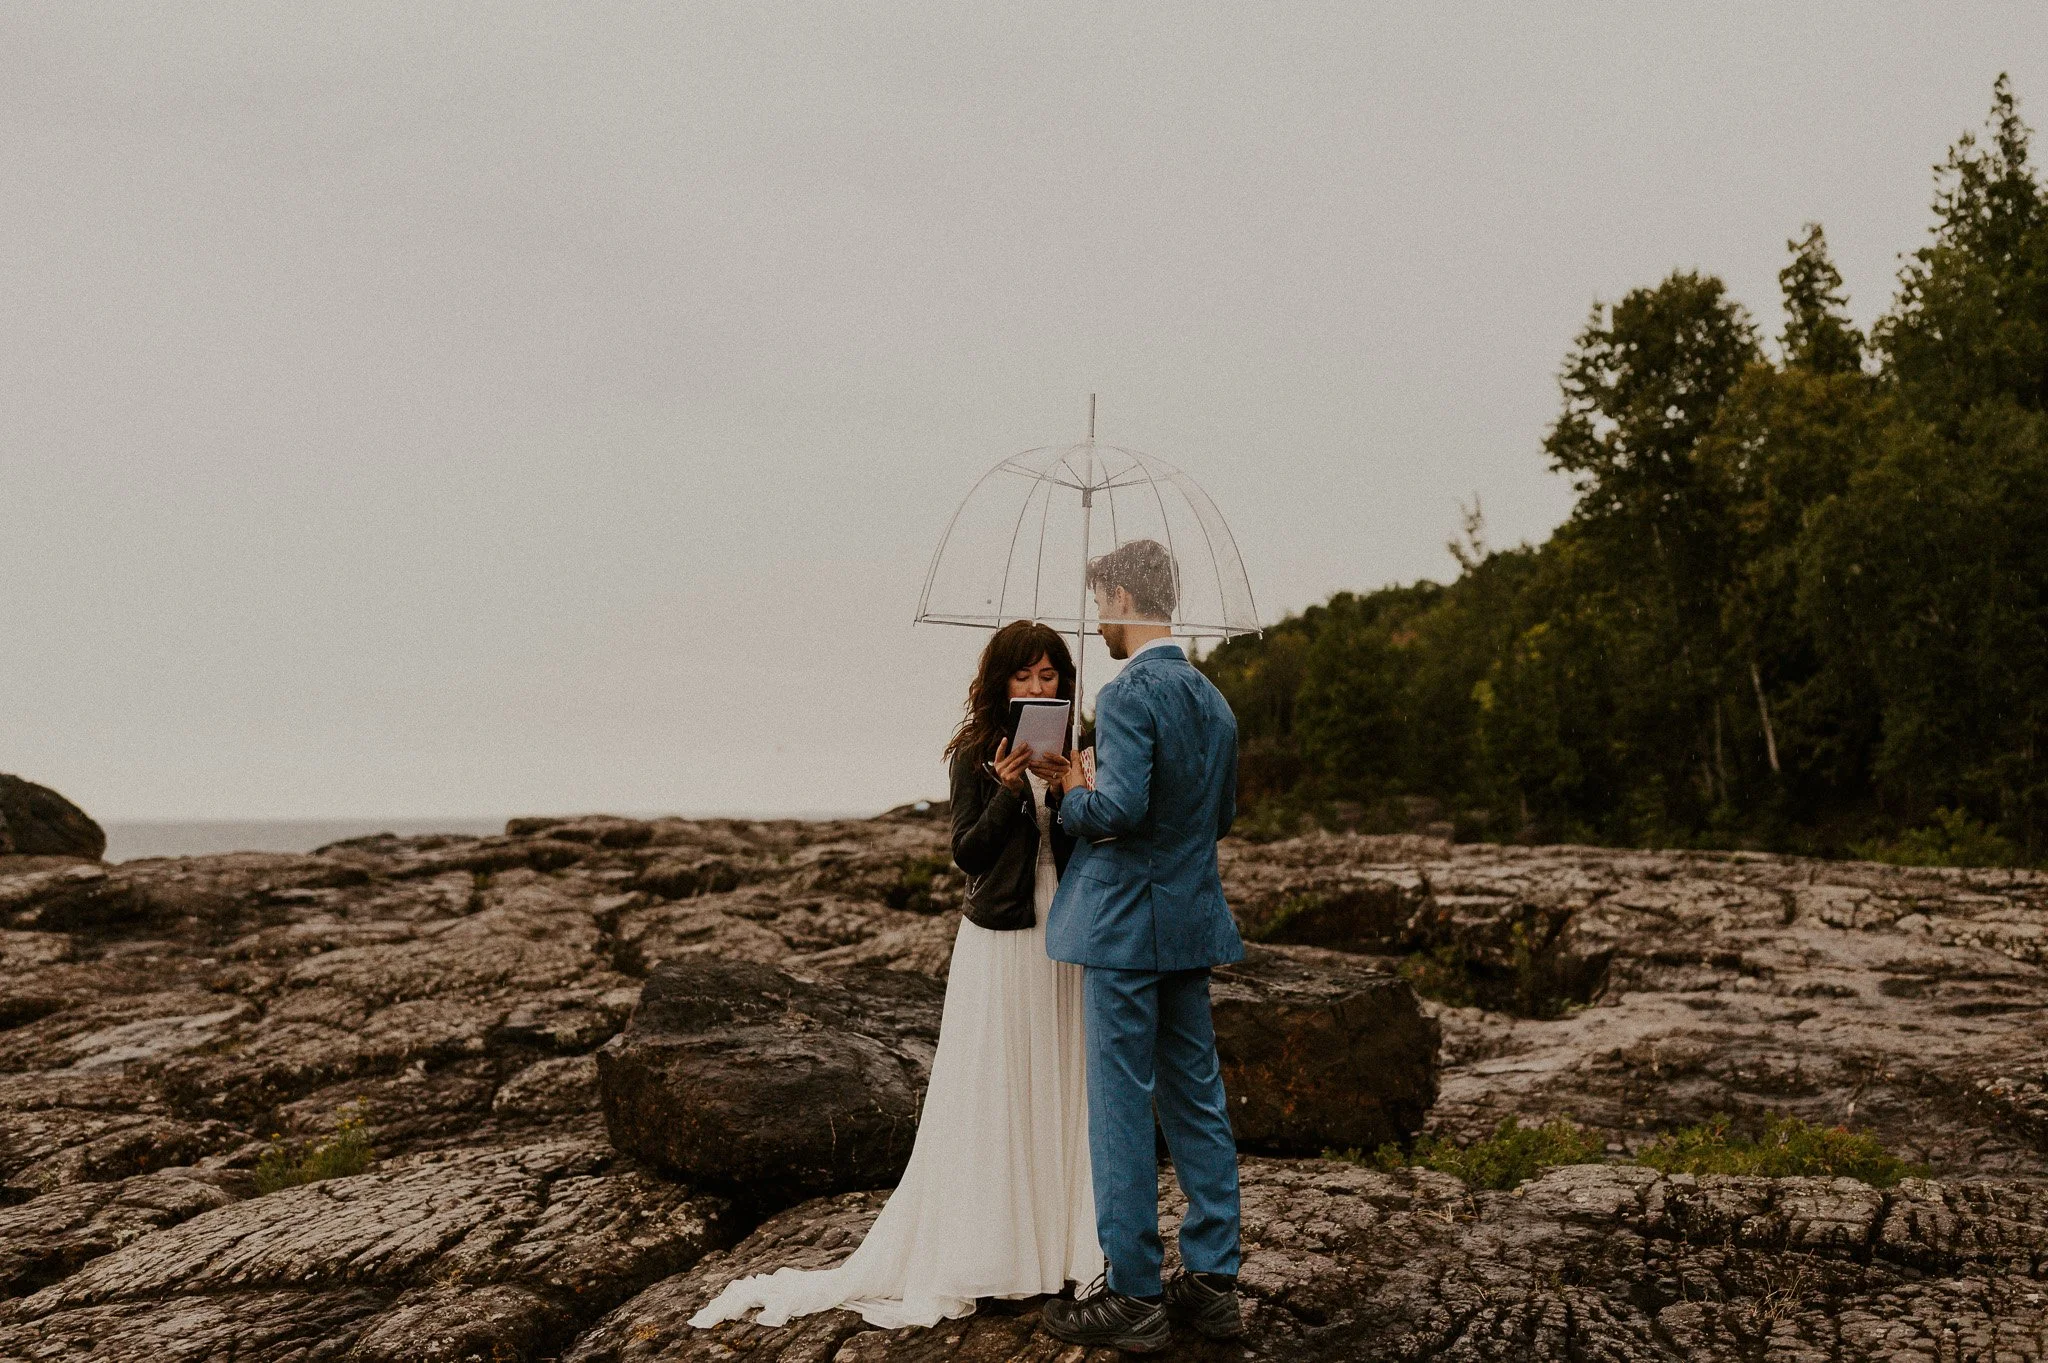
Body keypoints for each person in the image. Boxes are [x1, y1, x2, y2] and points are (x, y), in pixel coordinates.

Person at [689, 620, 1100, 1331]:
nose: (1038, 687)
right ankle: (997, 1253)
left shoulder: (1075, 747)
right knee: (998, 1083)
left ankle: (1063, 1247)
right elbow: (967, 854)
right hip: (1000, 936)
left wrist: (1069, 790)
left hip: (1062, 932)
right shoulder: (975, 751)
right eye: (1024, 675)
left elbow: (1077, 847)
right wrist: (1007, 790)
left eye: (1049, 675)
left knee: (1058, 1078)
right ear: (1000, 682)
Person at [1038, 538, 1247, 1353]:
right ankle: (1212, 1281)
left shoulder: (1128, 694)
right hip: (1190, 921)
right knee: (1197, 1097)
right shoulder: (1215, 701)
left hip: (1125, 928)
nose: (1097, 623)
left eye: (1100, 604)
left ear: (1124, 594)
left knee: (1122, 1104)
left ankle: (1131, 1292)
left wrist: (1071, 793)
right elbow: (1218, 815)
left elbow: (1118, 809)